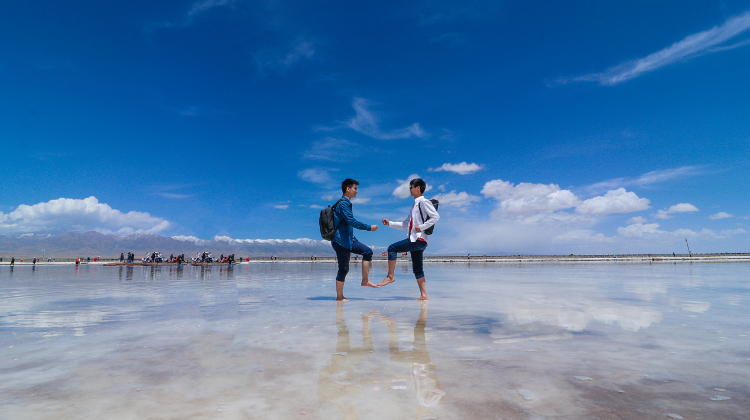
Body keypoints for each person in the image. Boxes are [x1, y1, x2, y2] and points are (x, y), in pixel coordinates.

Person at [380, 178, 439, 300]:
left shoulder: (423, 202)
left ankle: (390, 276)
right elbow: (404, 224)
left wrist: (421, 227)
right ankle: (424, 296)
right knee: (417, 269)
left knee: (392, 248)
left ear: (418, 188)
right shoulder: (414, 206)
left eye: (411, 187)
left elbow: (435, 216)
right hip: (419, 242)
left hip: (418, 240)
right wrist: (389, 223)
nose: (410, 190)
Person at [331, 178, 379, 301]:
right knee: (343, 269)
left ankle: (365, 280)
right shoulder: (343, 204)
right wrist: (369, 228)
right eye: (355, 188)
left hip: (349, 239)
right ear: (348, 189)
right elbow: (351, 221)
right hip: (341, 241)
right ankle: (339, 297)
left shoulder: (345, 203)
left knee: (367, 251)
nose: (357, 191)